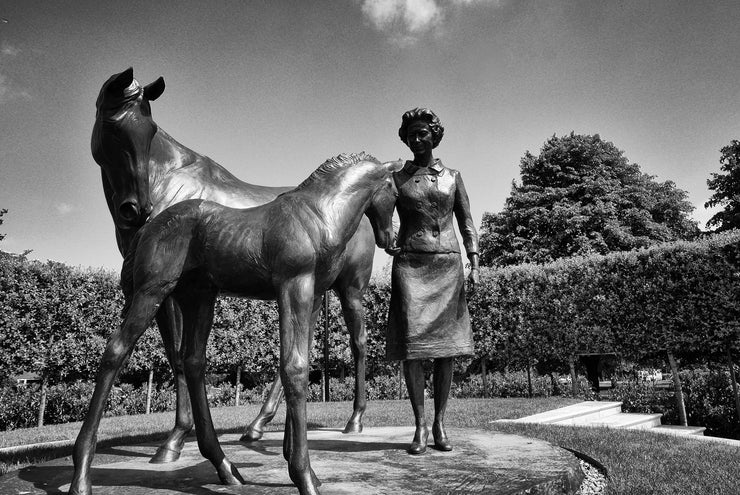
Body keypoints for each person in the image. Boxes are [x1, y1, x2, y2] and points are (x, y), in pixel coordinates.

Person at [386, 107, 479, 455]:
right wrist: (389, 239)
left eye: (422, 132)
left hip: (447, 264)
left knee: (446, 349)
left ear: (435, 136)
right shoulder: (396, 179)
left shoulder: (453, 176)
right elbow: (379, 214)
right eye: (411, 133)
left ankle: (440, 423)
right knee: (413, 350)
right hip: (410, 264)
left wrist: (475, 258)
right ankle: (420, 427)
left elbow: (466, 219)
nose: (416, 138)